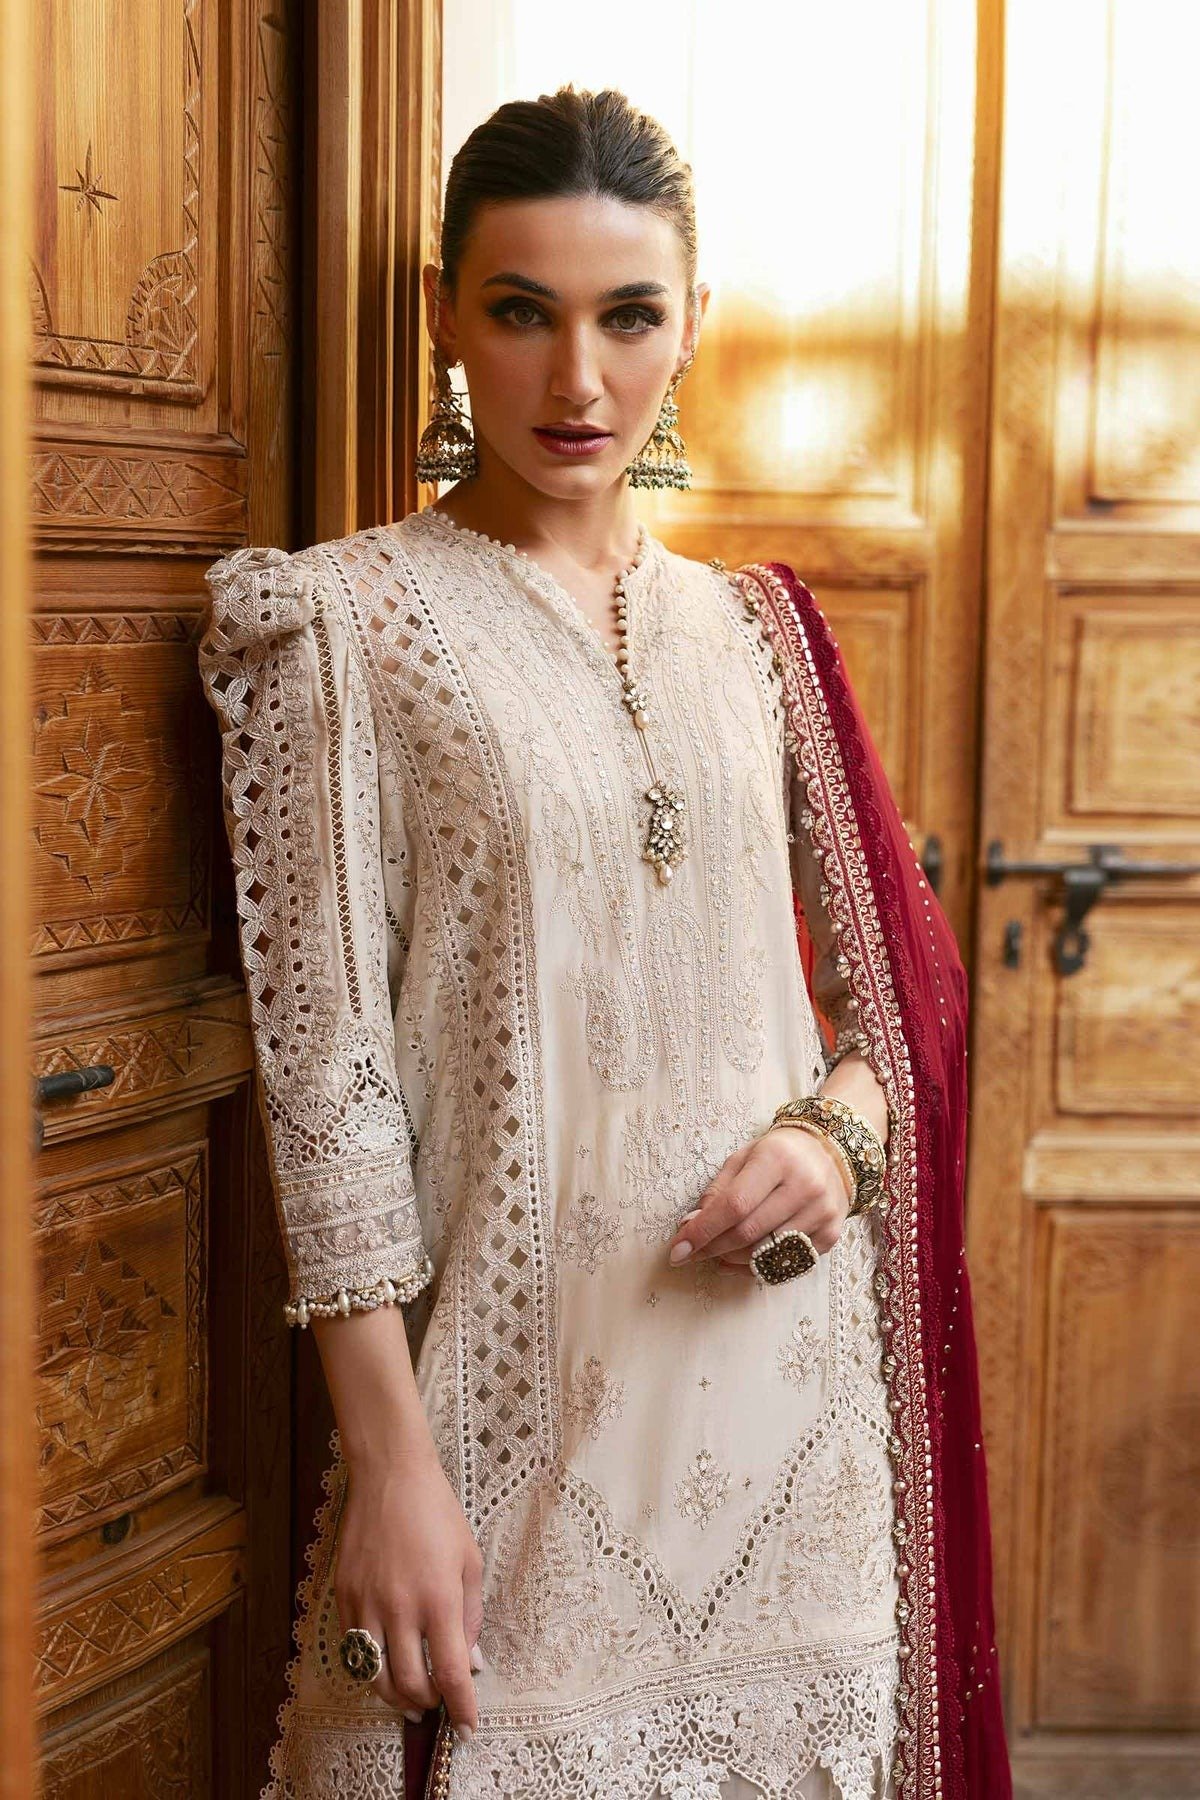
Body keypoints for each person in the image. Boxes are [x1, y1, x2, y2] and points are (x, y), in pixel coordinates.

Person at [198, 84, 1011, 1800]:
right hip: (515, 1425)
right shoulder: (335, 626)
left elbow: (905, 1001)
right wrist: (391, 1463)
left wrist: (836, 1139)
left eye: (629, 317)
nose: (579, 380)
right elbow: (330, 1083)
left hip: (801, 1440)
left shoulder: (757, 636)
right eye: (523, 312)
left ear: (692, 323)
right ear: (443, 314)